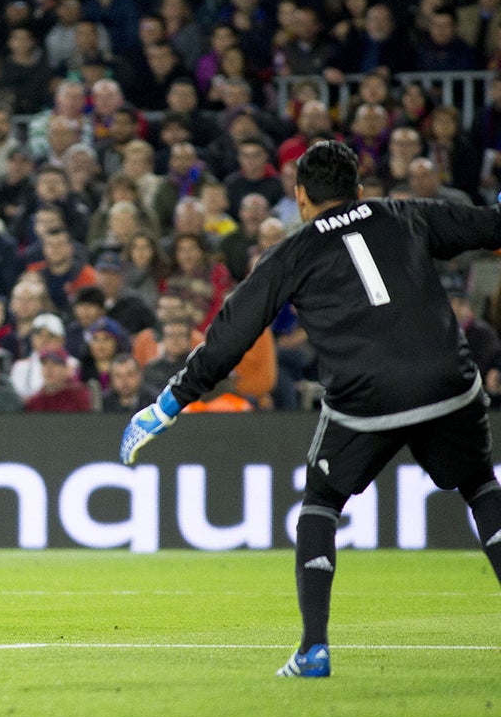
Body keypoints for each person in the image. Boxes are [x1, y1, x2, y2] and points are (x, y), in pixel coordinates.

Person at [119, 140, 501, 678]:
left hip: (365, 399)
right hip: (448, 382)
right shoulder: (407, 214)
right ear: (358, 190)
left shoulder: (291, 253)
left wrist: (167, 404)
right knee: (481, 487)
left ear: (300, 197)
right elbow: (491, 226)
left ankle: (313, 649)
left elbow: (230, 335)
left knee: (321, 502)